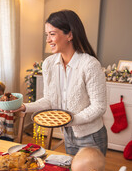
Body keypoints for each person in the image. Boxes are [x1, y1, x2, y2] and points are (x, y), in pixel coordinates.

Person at [12, 10, 107, 155]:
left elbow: (99, 106)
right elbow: (50, 100)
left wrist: (69, 119)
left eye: (52, 34)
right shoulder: (49, 64)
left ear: (70, 35)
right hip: (68, 133)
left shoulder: (89, 64)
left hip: (91, 136)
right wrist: (24, 107)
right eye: (46, 35)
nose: (48, 40)